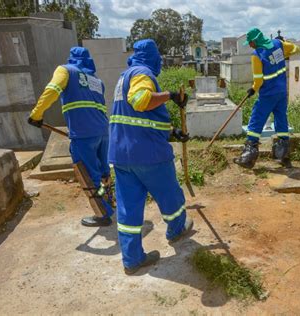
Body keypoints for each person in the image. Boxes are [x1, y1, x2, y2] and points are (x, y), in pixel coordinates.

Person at [108, 39, 193, 275]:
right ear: (153, 57)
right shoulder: (142, 72)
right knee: (170, 196)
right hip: (149, 155)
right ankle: (176, 230)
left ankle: (132, 259)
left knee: (128, 209)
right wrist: (170, 95)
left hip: (122, 155)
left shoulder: (124, 77)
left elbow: (139, 121)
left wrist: (171, 133)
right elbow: (140, 101)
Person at [28, 47, 114, 227]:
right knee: (103, 170)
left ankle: (102, 213)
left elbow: (52, 90)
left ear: (71, 58)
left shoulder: (66, 70)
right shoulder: (96, 80)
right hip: (103, 131)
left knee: (87, 174)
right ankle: (109, 200)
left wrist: (36, 114)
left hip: (83, 133)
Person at [234, 27, 300, 169]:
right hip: (282, 93)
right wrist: (283, 48)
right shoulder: (278, 44)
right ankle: (284, 156)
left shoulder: (257, 54)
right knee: (281, 119)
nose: (250, 45)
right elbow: (296, 49)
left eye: (250, 42)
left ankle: (249, 156)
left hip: (268, 94)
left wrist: (253, 89)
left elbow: (259, 80)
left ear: (255, 40)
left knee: (256, 120)